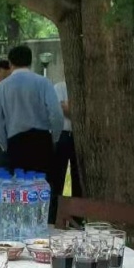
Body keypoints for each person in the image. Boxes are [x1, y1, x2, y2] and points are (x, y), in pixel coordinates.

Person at [0, 44, 63, 185]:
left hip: (15, 142)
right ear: (31, 61)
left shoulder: (1, 88)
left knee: (19, 188)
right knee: (43, 187)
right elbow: (56, 114)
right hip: (41, 141)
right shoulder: (43, 82)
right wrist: (54, 138)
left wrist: (6, 146)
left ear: (10, 63)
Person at [51, 79, 82, 221]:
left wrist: (70, 108)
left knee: (78, 178)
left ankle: (77, 218)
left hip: (78, 135)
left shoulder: (82, 88)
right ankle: (53, 216)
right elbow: (61, 109)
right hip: (62, 135)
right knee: (57, 177)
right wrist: (73, 110)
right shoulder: (59, 87)